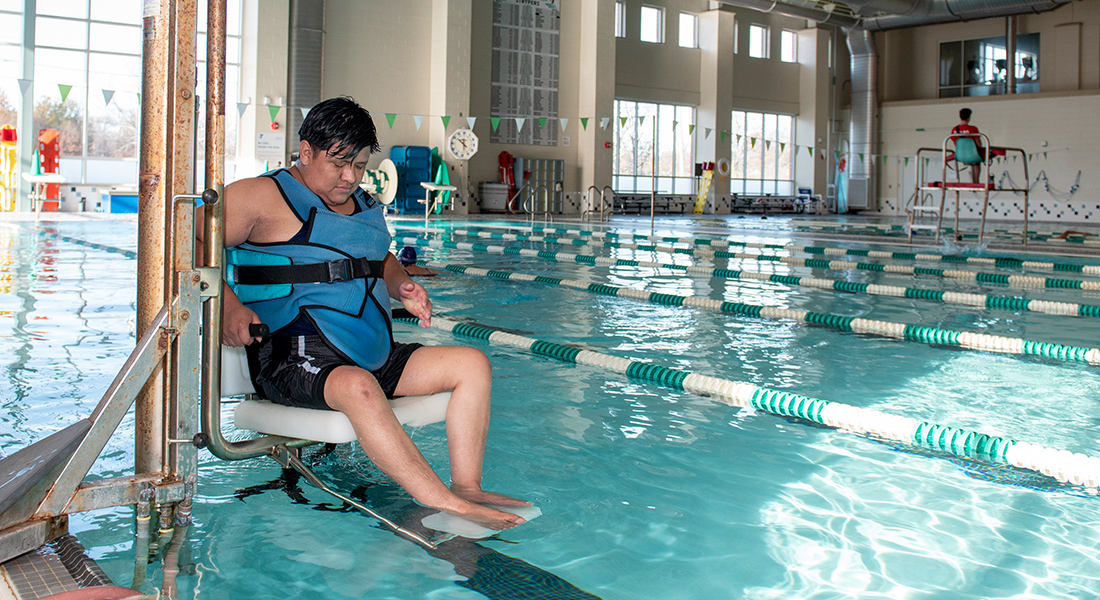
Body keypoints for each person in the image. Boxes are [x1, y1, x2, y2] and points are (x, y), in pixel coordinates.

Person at [216, 96, 528, 531]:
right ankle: (440, 501)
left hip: (366, 352)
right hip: (293, 357)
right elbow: (185, 244)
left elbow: (377, 257)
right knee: (360, 387)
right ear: (306, 152)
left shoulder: (361, 203)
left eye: (360, 165)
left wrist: (401, 284)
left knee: (471, 364)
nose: (350, 177)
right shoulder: (259, 196)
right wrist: (229, 306)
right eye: (339, 163)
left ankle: (468, 488)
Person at [950, 108, 986, 184]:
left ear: (960, 117)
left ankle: (962, 179)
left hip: (960, 155)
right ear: (969, 117)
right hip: (973, 155)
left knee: (973, 159)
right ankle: (976, 181)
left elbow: (955, 143)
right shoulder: (973, 129)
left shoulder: (954, 129)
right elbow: (979, 143)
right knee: (977, 160)